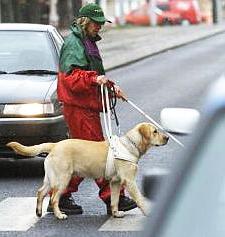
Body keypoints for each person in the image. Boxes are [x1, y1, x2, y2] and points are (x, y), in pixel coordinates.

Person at [48, 3, 137, 215]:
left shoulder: (86, 41)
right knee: (97, 155)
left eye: (101, 24)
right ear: (86, 21)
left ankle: (61, 195)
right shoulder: (74, 43)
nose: (99, 27)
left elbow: (93, 77)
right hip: (78, 107)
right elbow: (71, 78)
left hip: (85, 106)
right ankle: (113, 198)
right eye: (97, 23)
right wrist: (95, 78)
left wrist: (113, 88)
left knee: (83, 156)